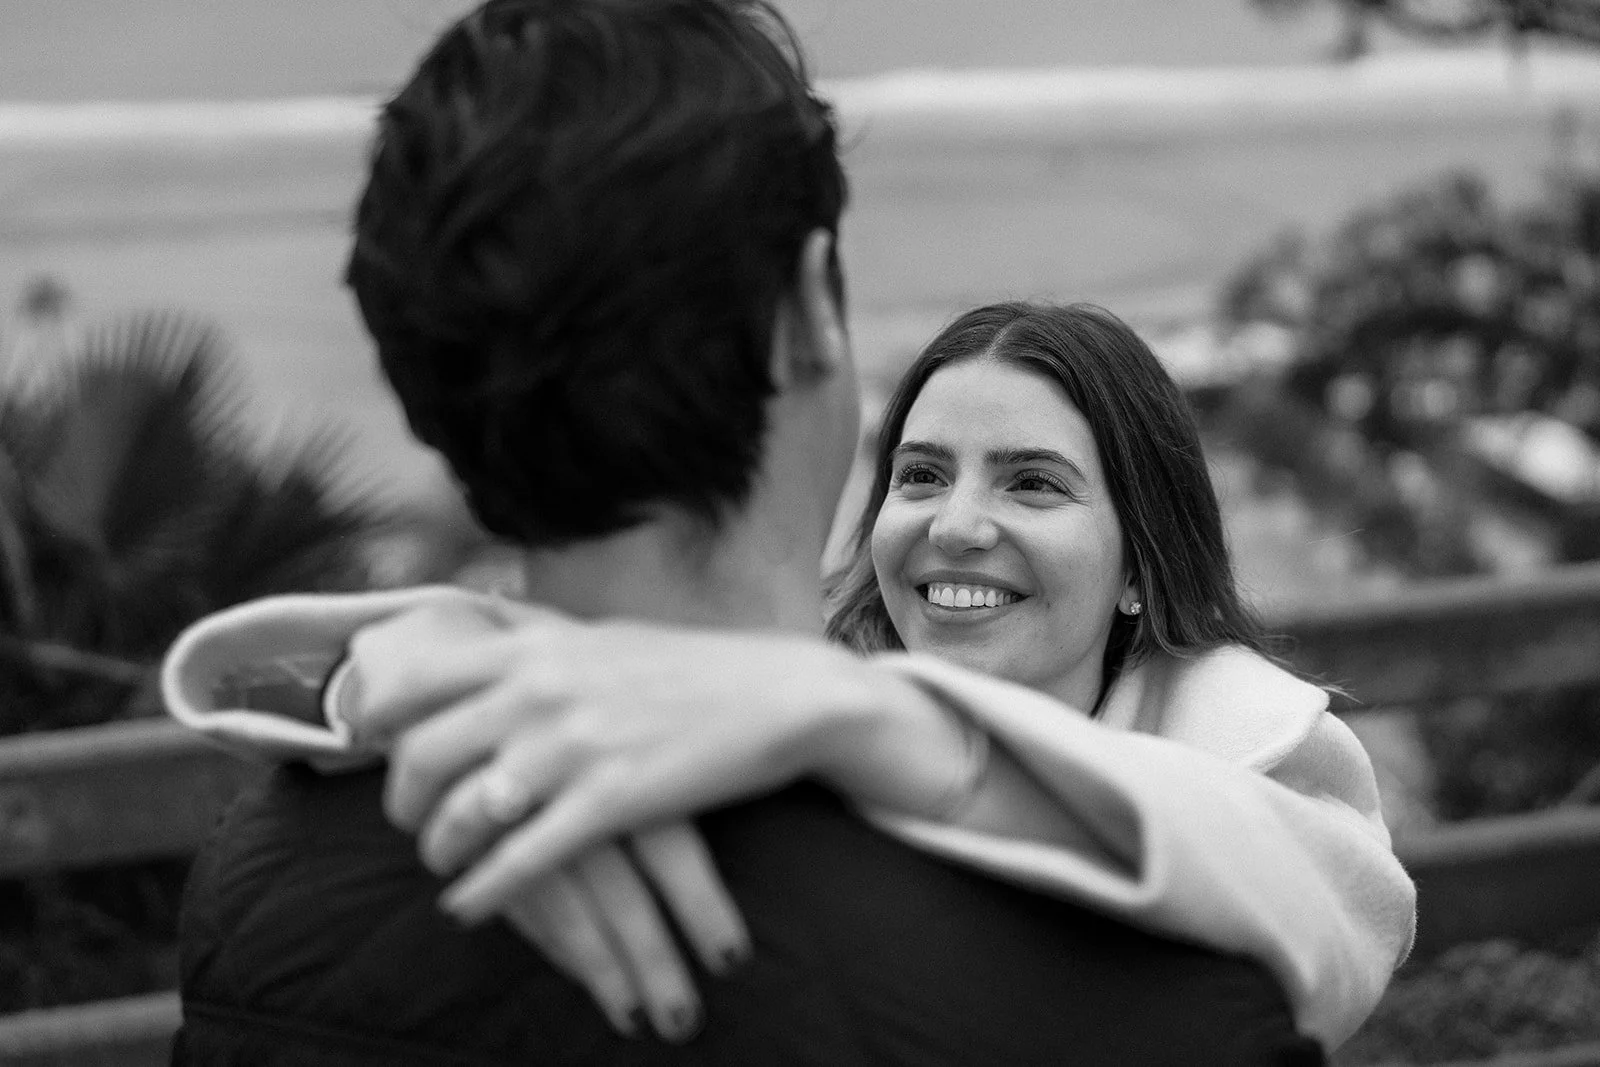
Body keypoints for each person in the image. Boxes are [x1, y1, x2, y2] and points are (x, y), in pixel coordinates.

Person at [159, 1, 1378, 1062]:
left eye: (1032, 484)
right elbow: (1324, 921)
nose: (960, 524)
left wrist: (397, 658)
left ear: (423, 373)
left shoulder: (261, 875)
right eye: (926, 471)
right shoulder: (1136, 990)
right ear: (807, 309)